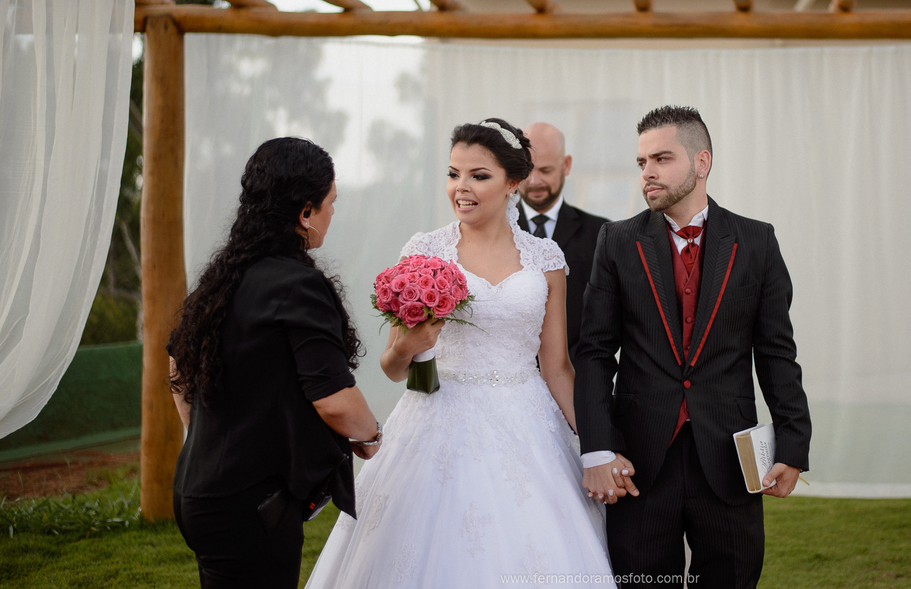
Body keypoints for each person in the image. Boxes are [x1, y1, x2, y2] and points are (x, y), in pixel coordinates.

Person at [306, 118, 612, 587]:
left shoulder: (546, 259)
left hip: (528, 426)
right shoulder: (425, 251)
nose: (461, 188)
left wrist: (595, 447)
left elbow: (557, 368)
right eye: (453, 174)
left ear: (513, 182)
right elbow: (392, 367)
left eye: (478, 176)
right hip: (435, 422)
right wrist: (411, 345)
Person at [575, 105, 812, 588]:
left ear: (702, 162)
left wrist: (793, 442)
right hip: (640, 463)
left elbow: (775, 352)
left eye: (661, 158)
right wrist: (598, 448)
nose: (648, 173)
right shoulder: (617, 242)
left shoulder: (756, 241)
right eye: (642, 162)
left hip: (728, 457)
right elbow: (595, 353)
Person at [168, 138, 403, 589]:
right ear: (306, 213)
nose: (333, 213)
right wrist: (372, 436)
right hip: (250, 503)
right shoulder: (298, 286)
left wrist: (207, 435)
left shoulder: (222, 278)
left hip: (197, 487)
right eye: (331, 203)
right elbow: (334, 400)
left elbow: (179, 371)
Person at [516, 122, 609, 361]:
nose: (535, 181)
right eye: (527, 170)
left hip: (579, 382)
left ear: (566, 165)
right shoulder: (494, 232)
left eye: (545, 170)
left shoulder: (601, 234)